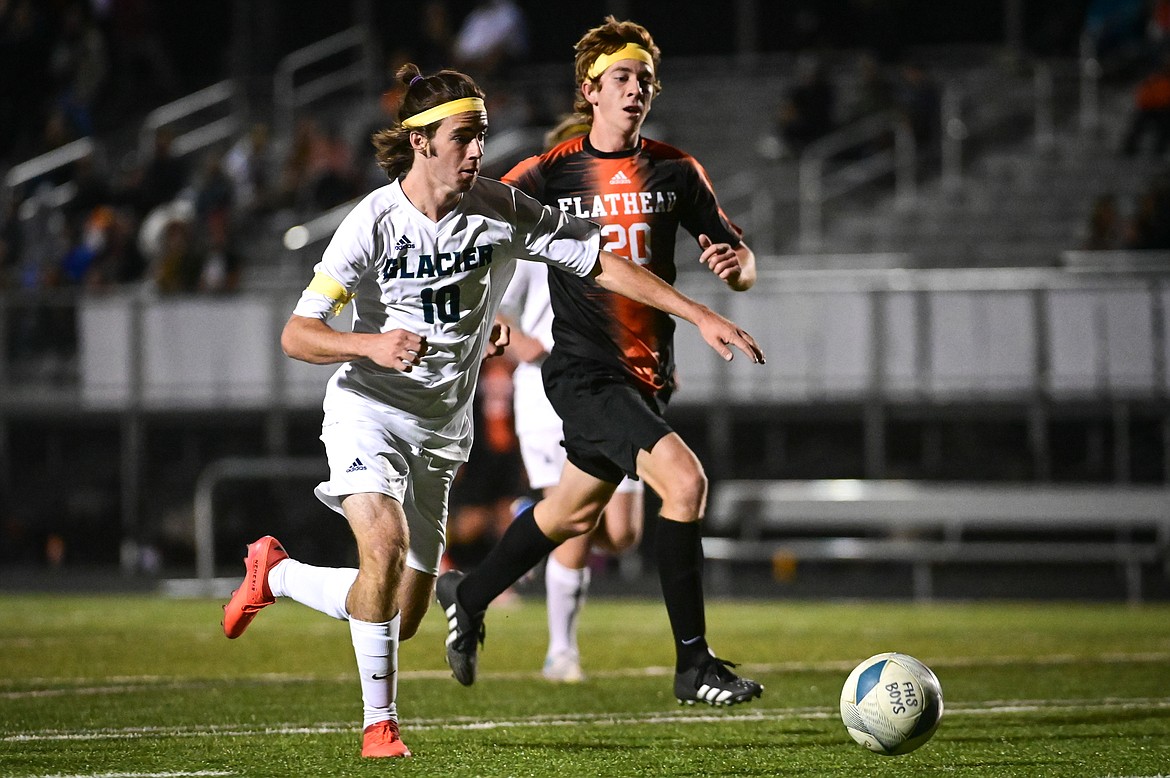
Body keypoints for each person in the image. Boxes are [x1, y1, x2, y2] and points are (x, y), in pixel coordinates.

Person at [220, 62, 764, 760]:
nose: (478, 151)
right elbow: (299, 334)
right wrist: (371, 344)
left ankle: (278, 574)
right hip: (367, 410)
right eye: (464, 137)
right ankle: (379, 726)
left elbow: (601, 261)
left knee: (401, 613)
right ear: (421, 142)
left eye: (481, 135)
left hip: (441, 431)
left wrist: (698, 314)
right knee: (380, 550)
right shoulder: (371, 223)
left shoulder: (500, 208)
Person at [436, 16, 765, 707]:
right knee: (684, 483)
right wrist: (482, 312)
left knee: (569, 512)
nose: (637, 88)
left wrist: (737, 270)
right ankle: (693, 665)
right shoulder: (550, 174)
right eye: (623, 76)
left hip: (648, 376)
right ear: (590, 89)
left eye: (645, 77)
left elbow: (741, 264)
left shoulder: (677, 169)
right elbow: (469, 225)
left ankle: (468, 592)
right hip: (582, 372)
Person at [498, 249, 645, 683]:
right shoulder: (538, 238)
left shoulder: (624, 234)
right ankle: (561, 652)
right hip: (549, 394)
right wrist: (519, 341)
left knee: (622, 533)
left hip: (615, 390)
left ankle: (535, 522)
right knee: (577, 523)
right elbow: (491, 307)